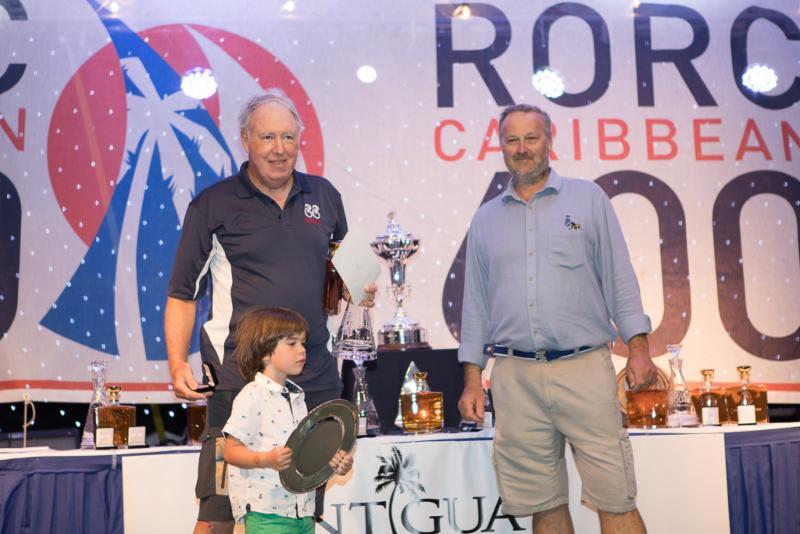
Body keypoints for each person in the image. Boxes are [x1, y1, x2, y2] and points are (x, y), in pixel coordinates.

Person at [165, 88, 373, 533]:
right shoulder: (212, 205)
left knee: (300, 513)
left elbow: (350, 272)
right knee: (217, 513)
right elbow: (183, 293)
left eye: (288, 138)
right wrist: (178, 361)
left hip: (315, 380)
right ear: (245, 140)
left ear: (300, 139)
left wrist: (365, 288)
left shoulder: (326, 195)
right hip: (241, 384)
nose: (279, 149)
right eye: (267, 138)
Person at [457, 103, 658, 534]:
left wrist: (639, 349)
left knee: (615, 497)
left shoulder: (588, 199)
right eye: (512, 140)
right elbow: (473, 304)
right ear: (501, 147)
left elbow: (619, 278)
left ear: (550, 140)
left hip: (584, 368)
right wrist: (473, 379)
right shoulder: (485, 219)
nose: (522, 148)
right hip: (515, 377)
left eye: (531, 138)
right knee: (543, 504)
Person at [222, 306, 354, 534]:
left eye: (303, 343)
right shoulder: (252, 395)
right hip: (267, 515)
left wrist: (334, 464)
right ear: (265, 352)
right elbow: (230, 451)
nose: (302, 350)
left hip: (303, 512)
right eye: (292, 344)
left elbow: (306, 456)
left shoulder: (297, 398)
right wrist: (265, 459)